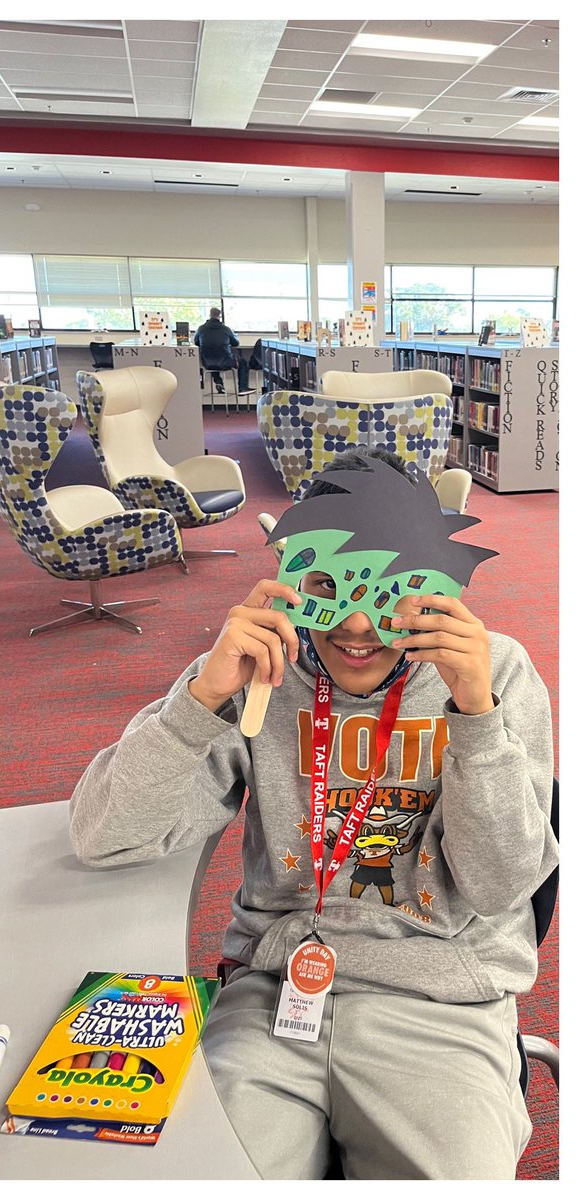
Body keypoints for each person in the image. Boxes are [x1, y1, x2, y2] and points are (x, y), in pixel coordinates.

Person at [69, 449, 555, 1180]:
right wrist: (201, 701)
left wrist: (477, 719)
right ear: (293, 578)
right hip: (273, 993)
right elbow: (104, 836)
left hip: (439, 1006)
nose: (357, 624)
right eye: (328, 586)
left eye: (391, 590)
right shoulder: (260, 671)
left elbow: (500, 885)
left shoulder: (496, 673)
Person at [194, 307, 253, 395]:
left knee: (213, 362)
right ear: (220, 316)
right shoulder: (226, 329)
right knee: (243, 362)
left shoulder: (201, 329)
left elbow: (196, 342)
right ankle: (242, 388)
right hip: (225, 362)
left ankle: (219, 383)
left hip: (207, 363)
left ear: (209, 315)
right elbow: (235, 343)